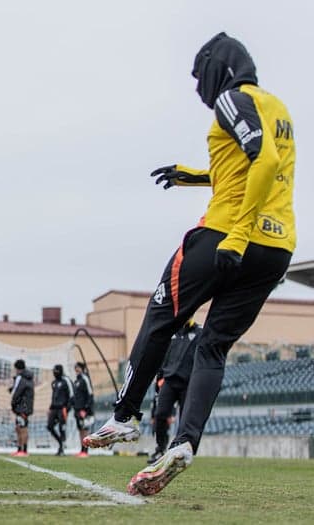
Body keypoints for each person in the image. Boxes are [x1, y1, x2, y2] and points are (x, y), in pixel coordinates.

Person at [84, 33, 296, 496]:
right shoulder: (277, 106)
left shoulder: (231, 99)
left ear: (217, 67)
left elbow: (263, 158)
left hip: (227, 235)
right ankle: (183, 444)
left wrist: (235, 237)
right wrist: (196, 175)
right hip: (277, 247)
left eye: (200, 76)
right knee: (212, 346)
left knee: (162, 314)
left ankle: (123, 417)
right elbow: (254, 166)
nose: (200, 88)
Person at [148, 320, 202, 464]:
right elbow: (163, 357)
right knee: (160, 414)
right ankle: (160, 448)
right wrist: (160, 377)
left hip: (188, 382)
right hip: (169, 380)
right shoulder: (172, 334)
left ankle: (180, 450)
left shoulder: (199, 333)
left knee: (185, 418)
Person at [47, 364, 73, 456]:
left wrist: (67, 408)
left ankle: (61, 449)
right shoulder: (54, 382)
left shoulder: (66, 381)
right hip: (54, 408)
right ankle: (61, 443)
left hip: (63, 408)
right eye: (54, 371)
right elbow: (54, 396)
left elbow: (71, 395)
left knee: (62, 428)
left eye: (56, 371)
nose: (55, 373)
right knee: (49, 426)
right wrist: (50, 408)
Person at [9, 359, 34, 457]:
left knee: (22, 428)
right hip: (26, 406)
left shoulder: (20, 378)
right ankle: (21, 449)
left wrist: (13, 403)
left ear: (17, 368)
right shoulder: (29, 378)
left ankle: (23, 450)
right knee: (19, 427)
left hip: (21, 407)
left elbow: (16, 392)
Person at [72, 362, 94, 458]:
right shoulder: (77, 380)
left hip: (83, 409)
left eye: (78, 367)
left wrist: (85, 409)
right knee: (80, 429)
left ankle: (85, 450)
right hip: (77, 409)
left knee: (85, 429)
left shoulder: (85, 378)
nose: (76, 369)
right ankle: (82, 450)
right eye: (75, 367)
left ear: (82, 368)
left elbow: (90, 394)